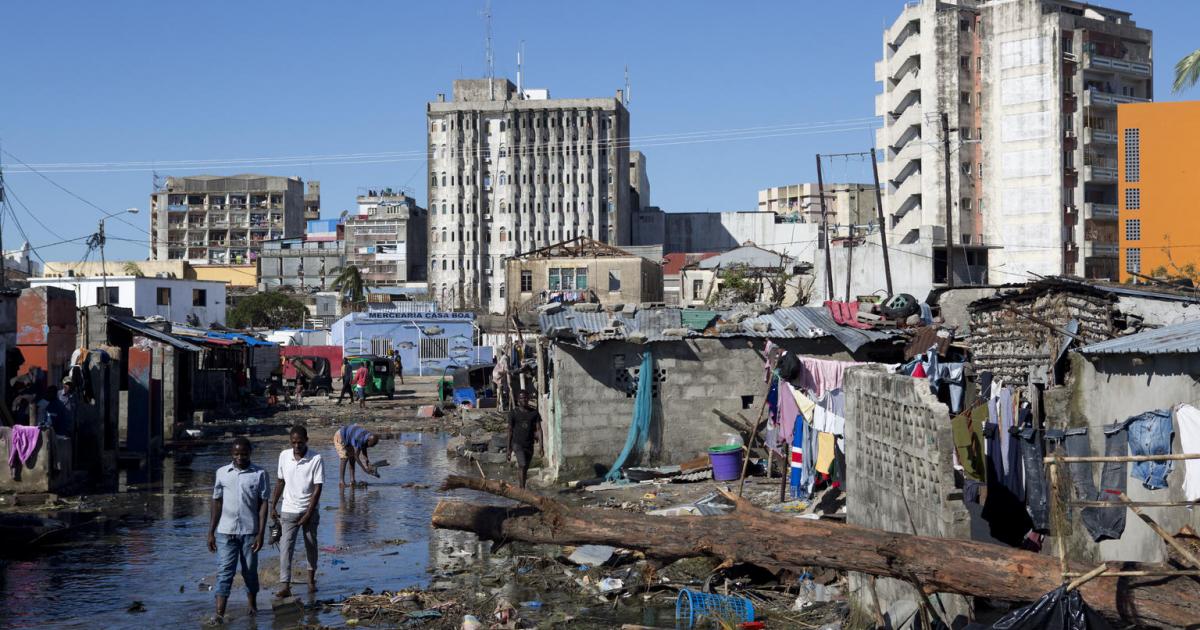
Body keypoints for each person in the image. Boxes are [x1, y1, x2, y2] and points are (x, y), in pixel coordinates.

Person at [207, 437, 270, 622]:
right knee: (225, 571)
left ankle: (252, 606)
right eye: (236, 454)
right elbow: (216, 502)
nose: (240, 457)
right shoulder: (222, 473)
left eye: (243, 453)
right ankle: (219, 614)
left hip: (250, 532)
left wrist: (261, 533)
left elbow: (263, 504)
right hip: (225, 532)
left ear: (250, 453)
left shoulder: (259, 474)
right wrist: (210, 532)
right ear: (231, 454)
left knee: (249, 571)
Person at [271, 426, 323, 598]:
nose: (297, 446)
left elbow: (317, 488)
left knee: (311, 545)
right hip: (288, 511)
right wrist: (273, 505)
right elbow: (280, 482)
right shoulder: (284, 456)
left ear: (306, 440)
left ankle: (311, 580)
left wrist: (308, 513)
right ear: (290, 442)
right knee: (286, 548)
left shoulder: (316, 458)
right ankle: (285, 585)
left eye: (300, 442)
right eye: (293, 443)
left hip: (309, 511)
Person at [507, 391, 542, 489]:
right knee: (522, 464)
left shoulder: (534, 413)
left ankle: (522, 487)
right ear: (518, 400)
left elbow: (539, 430)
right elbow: (509, 431)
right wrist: (508, 449)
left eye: (526, 398)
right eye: (522, 398)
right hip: (517, 444)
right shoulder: (513, 413)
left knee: (525, 468)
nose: (525, 400)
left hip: (529, 445)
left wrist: (541, 447)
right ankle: (522, 491)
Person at [334, 423, 379, 488]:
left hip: (348, 438)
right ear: (368, 440)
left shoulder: (368, 436)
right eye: (371, 445)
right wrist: (364, 469)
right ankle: (341, 482)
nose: (370, 447)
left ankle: (352, 481)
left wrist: (367, 462)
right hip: (340, 436)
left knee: (352, 458)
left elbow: (364, 448)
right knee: (344, 458)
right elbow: (357, 456)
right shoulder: (360, 438)